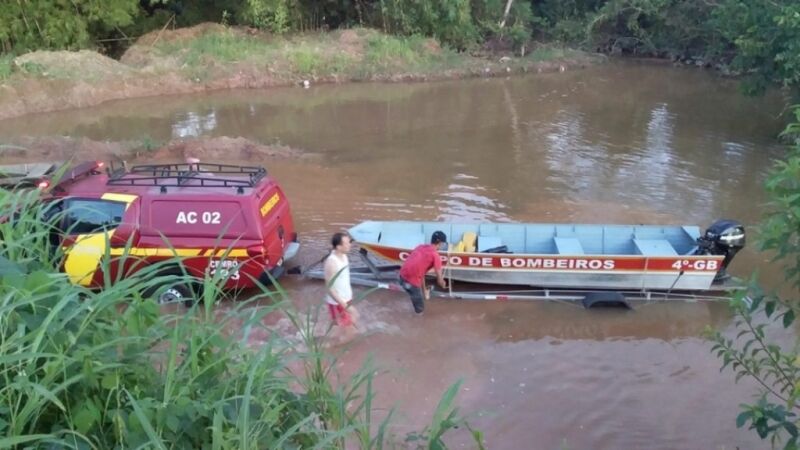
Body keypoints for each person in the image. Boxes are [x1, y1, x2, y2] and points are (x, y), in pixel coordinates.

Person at [398, 230, 448, 314]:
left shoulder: (420, 247)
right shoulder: (435, 256)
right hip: (411, 284)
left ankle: (419, 294)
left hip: (401, 277)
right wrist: (444, 284)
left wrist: (424, 291)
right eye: (443, 244)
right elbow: (440, 281)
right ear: (440, 243)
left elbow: (421, 272)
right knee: (420, 311)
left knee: (414, 293)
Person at [324, 232, 359, 331]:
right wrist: (346, 306)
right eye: (347, 243)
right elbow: (329, 288)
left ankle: (330, 337)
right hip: (338, 302)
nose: (350, 245)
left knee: (342, 327)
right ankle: (330, 346)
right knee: (352, 332)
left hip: (346, 298)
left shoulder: (343, 255)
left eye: (349, 242)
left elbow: (332, 248)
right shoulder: (332, 263)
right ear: (339, 247)